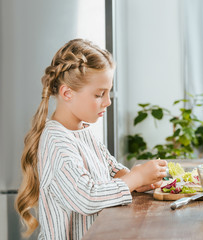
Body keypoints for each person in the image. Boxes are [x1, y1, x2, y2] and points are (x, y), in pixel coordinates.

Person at [15, 39, 167, 239]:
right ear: (67, 93)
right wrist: (135, 177)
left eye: (109, 92)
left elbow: (110, 169)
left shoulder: (83, 131)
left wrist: (138, 181)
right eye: (99, 94)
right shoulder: (56, 142)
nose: (108, 101)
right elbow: (87, 196)